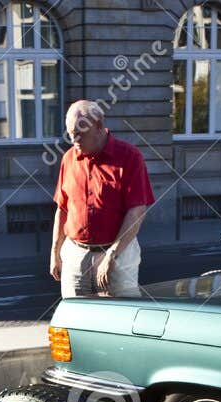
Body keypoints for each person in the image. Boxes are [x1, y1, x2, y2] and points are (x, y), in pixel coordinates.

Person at [50, 100, 155, 298]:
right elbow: (62, 208)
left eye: (80, 133)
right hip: (75, 255)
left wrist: (112, 255)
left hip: (118, 255)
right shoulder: (69, 158)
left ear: (98, 126)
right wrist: (55, 253)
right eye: (71, 134)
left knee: (120, 314)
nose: (74, 140)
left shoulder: (129, 157)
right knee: (76, 315)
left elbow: (137, 211)